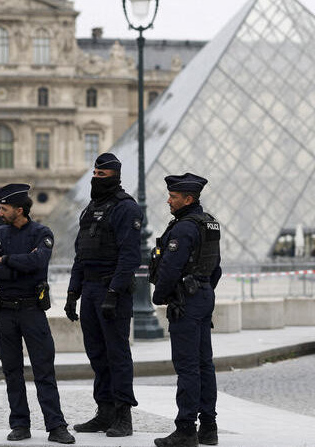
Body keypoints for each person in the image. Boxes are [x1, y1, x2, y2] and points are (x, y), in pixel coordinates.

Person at [0, 183, 75, 444]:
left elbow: (39, 263)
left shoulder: (42, 232)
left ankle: (56, 426)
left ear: (19, 210)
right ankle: (20, 424)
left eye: (4, 209)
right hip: (5, 312)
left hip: (32, 311)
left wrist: (7, 260)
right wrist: (20, 264)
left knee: (44, 371)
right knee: (12, 372)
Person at [65, 153, 141, 437]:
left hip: (112, 290)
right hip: (90, 290)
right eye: (94, 175)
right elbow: (81, 254)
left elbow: (130, 257)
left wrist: (113, 292)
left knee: (117, 354)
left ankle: (123, 415)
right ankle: (104, 411)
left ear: (115, 177)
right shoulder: (90, 209)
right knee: (96, 354)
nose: (96, 180)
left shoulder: (126, 209)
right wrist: (73, 293)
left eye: (102, 176)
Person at [150, 173, 222, 447]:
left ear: (188, 199)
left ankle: (185, 429)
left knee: (188, 366)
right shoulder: (210, 224)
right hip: (203, 295)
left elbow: (169, 268)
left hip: (186, 301)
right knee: (205, 364)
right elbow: (217, 267)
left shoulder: (183, 228)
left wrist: (160, 295)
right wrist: (204, 288)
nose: (168, 200)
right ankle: (209, 427)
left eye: (174, 197)